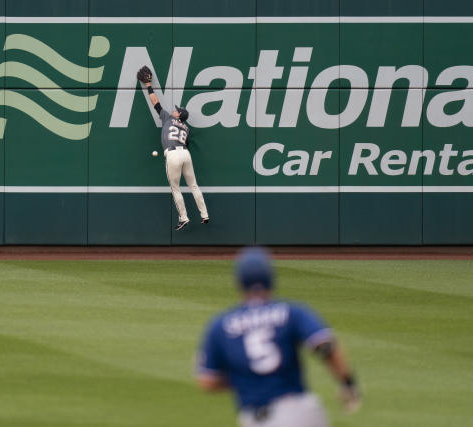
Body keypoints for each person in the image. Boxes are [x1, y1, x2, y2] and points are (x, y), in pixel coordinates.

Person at [196, 247, 362, 427]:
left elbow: (207, 380)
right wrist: (347, 383)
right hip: (300, 413)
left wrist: (245, 378)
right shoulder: (292, 312)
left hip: (255, 418)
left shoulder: (220, 325)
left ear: (239, 282)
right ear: (271, 279)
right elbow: (325, 346)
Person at [137, 65, 209, 231]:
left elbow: (155, 102)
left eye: (177, 111)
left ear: (178, 115)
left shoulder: (168, 118)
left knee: (176, 188)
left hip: (173, 155)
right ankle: (204, 214)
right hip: (185, 153)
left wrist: (148, 85)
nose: (174, 111)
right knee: (194, 186)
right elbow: (187, 143)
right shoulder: (186, 128)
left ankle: (183, 217)